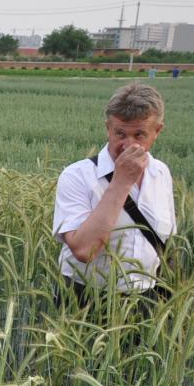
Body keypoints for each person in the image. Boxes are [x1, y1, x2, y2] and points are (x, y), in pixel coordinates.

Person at [53, 82, 173, 304]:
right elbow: (84, 250)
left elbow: (164, 240)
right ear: (108, 128)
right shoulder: (76, 176)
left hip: (146, 301)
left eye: (139, 134)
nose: (128, 145)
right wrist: (121, 182)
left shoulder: (161, 173)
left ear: (157, 132)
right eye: (120, 133)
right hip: (85, 301)